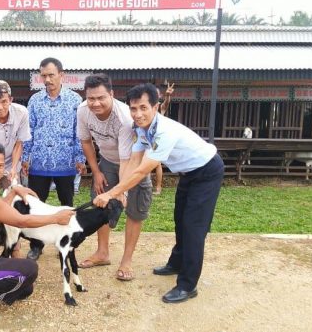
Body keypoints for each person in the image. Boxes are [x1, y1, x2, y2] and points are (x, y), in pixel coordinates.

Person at [94, 83, 223, 304]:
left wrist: (111, 193)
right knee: (179, 220)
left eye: (143, 108)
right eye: (133, 109)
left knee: (193, 227)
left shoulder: (164, 131)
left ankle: (187, 285)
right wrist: (119, 192)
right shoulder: (140, 130)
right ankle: (177, 263)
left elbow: (144, 169)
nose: (138, 114)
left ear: (155, 107)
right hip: (188, 173)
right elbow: (134, 161)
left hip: (207, 170)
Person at [0, 141, 74, 322]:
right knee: (30, 269)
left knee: (25, 288)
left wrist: (14, 190)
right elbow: (19, 220)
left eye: (1, 166)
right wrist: (55, 218)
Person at [75, 74, 153, 282]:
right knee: (101, 203)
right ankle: (102, 253)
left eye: (101, 97)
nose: (96, 103)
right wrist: (97, 172)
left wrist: (121, 191)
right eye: (91, 98)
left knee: (135, 210)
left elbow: (127, 160)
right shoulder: (83, 111)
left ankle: (126, 260)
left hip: (135, 163)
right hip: (108, 162)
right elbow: (86, 142)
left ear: (111, 94)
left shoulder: (124, 119)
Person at [21, 57, 85, 260]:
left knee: (66, 204)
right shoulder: (34, 100)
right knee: (36, 206)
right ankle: (36, 245)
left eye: (51, 75)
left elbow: (80, 132)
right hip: (38, 163)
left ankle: (66, 243)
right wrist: (25, 157)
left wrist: (80, 157)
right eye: (44, 76)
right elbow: (28, 131)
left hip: (66, 162)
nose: (47, 79)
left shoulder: (75, 100)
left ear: (61, 75)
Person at [153, 80, 175, 195]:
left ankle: (158, 187)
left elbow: (166, 104)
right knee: (145, 160)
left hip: (157, 139)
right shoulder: (145, 108)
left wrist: (167, 95)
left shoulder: (160, 108)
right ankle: (146, 185)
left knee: (156, 162)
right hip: (146, 139)